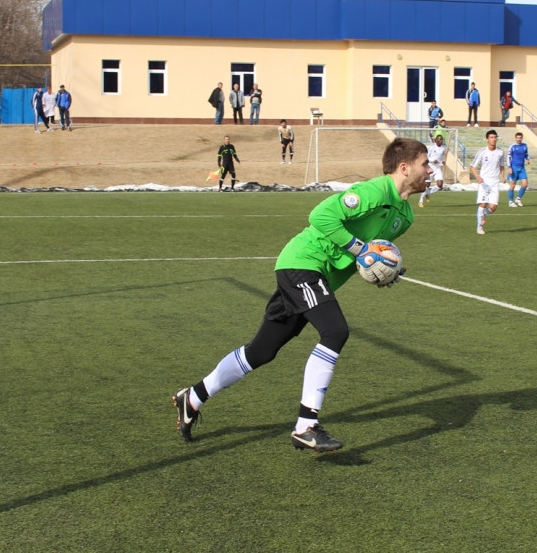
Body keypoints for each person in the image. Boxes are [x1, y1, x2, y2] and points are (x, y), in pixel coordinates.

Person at [172, 138, 431, 452]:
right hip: (302, 263)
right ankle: (306, 425)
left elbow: (369, 254)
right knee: (335, 330)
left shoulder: (406, 216)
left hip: (316, 276)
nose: (431, 170)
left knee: (261, 351)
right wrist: (361, 250)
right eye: (425, 163)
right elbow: (321, 217)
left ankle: (193, 397)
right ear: (404, 168)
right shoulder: (374, 192)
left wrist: (384, 268)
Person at [470, 129, 507, 234]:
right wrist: (477, 177)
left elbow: (501, 166)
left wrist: (502, 176)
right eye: (491, 137)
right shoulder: (482, 152)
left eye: (495, 137)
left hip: (495, 183)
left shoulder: (500, 152)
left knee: (493, 207)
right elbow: (473, 166)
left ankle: (483, 214)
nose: (494, 139)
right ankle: (479, 227)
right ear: (487, 139)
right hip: (484, 182)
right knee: (483, 204)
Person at [417, 133, 447, 208]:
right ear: (436, 140)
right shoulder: (431, 147)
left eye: (441, 139)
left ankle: (428, 193)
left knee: (440, 185)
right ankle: (420, 200)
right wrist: (433, 160)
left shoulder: (443, 147)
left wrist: (443, 161)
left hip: (438, 168)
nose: (440, 140)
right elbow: (426, 157)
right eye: (439, 139)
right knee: (427, 185)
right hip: (430, 167)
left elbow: (442, 156)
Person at [506, 132, 530, 208]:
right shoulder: (513, 146)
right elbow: (509, 157)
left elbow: (526, 154)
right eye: (517, 138)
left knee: (525, 184)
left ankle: (518, 199)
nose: (519, 139)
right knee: (513, 184)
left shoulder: (525, 145)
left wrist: (527, 159)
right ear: (515, 138)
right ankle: (510, 201)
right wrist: (509, 167)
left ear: (522, 138)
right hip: (514, 168)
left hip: (522, 168)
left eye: (520, 138)